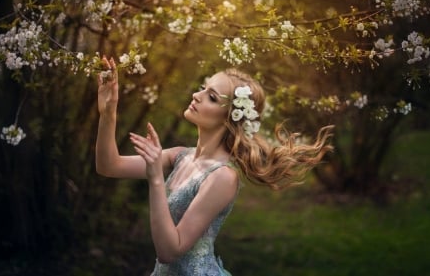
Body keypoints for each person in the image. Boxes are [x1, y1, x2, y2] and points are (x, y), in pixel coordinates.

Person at [95, 56, 333, 276]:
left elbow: (169, 251)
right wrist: (108, 114)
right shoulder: (180, 156)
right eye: (202, 89)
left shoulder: (223, 177)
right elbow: (108, 166)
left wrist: (156, 178)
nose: (197, 96)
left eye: (211, 97)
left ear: (229, 117)